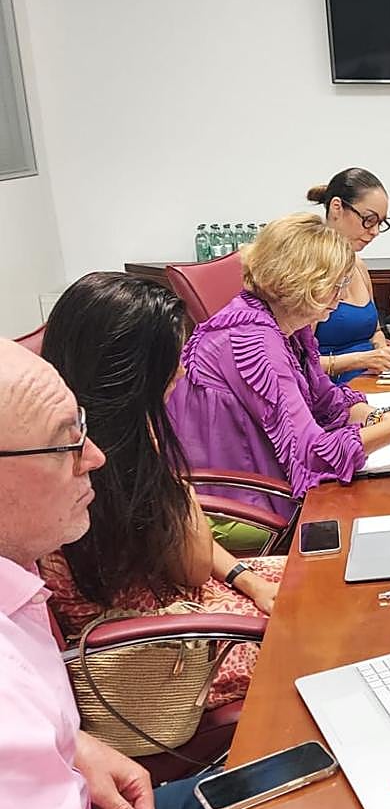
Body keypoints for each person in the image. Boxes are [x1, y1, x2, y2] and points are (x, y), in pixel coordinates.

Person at [0, 341, 390, 809]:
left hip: (95, 785)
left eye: (82, 428)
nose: (95, 457)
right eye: (65, 443)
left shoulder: (17, 582)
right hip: (160, 656)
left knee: (349, 780)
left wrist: (74, 746)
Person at [37, 272, 282, 710]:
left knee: (319, 577)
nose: (183, 369)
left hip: (177, 602)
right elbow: (191, 565)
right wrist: (166, 463)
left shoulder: (92, 433)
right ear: (135, 371)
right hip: (152, 653)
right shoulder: (106, 462)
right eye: (172, 358)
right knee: (325, 625)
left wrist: (245, 579)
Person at [168, 213, 390, 516]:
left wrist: (385, 418)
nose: (341, 294)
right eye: (335, 283)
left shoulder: (290, 324)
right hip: (240, 501)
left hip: (262, 477)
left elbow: (327, 403)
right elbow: (311, 455)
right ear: (297, 283)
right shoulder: (253, 342)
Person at [309, 167, 390, 384]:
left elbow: (375, 331)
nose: (375, 231)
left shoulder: (358, 266)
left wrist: (383, 351)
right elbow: (297, 362)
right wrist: (362, 360)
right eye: (368, 219)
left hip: (376, 380)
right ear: (337, 207)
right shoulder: (309, 271)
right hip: (331, 392)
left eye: (381, 223)